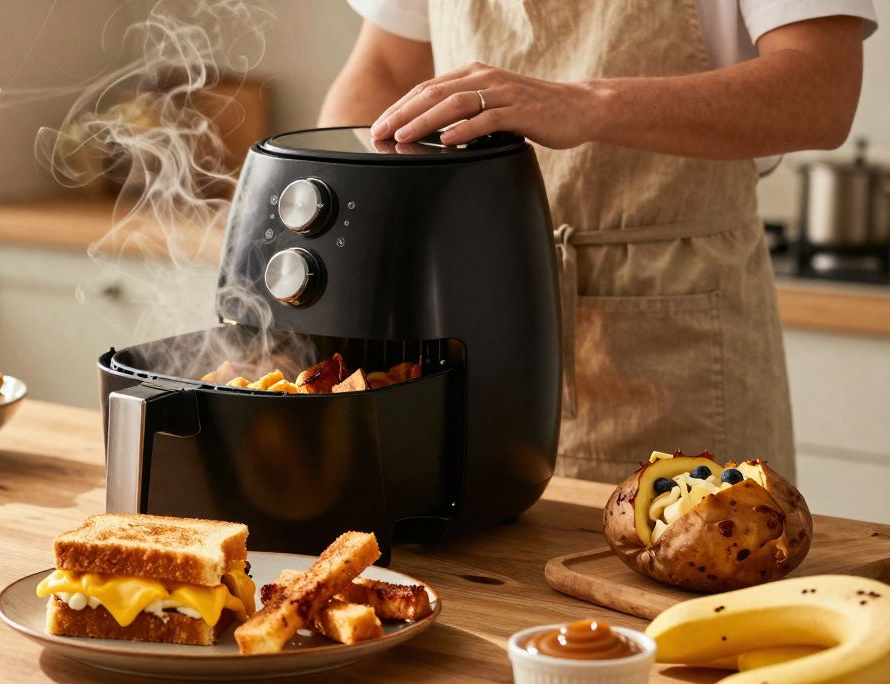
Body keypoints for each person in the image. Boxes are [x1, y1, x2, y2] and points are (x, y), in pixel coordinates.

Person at [321, 0, 879, 482]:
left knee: (696, 567)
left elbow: (821, 89)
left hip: (677, 336)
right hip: (476, 330)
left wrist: (588, 103)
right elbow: (383, 70)